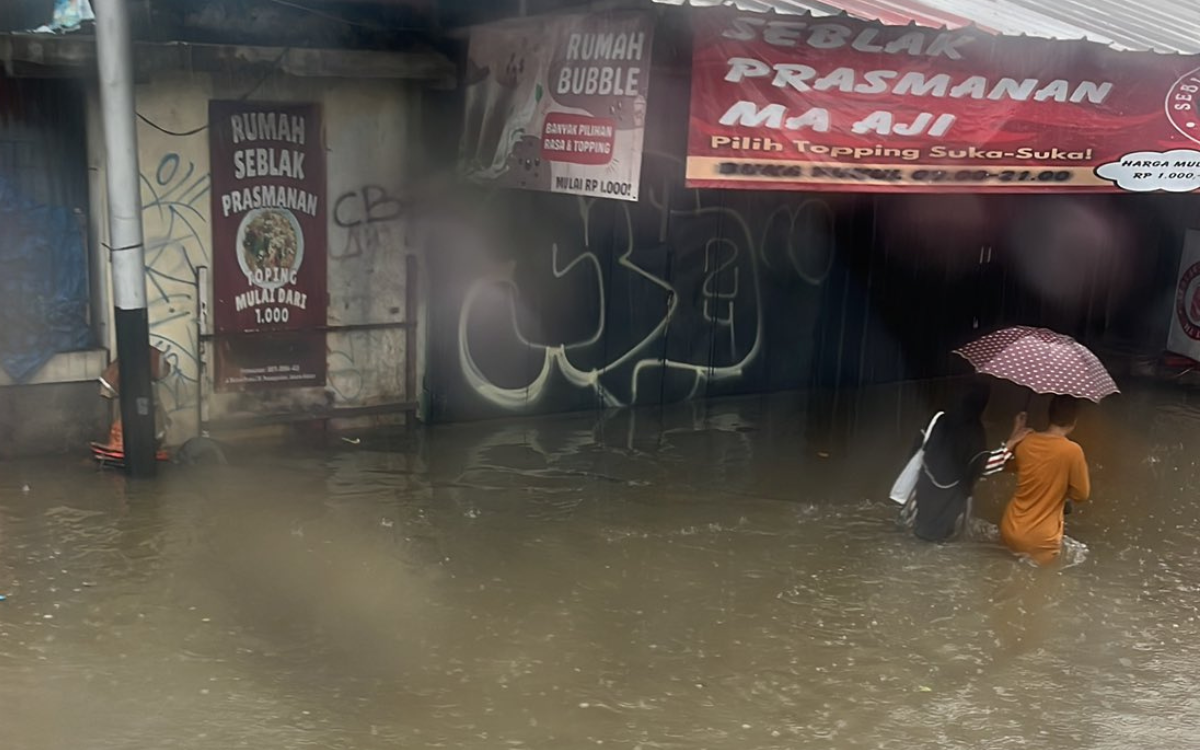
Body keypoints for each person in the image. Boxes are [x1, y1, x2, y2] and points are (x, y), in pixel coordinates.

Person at [900, 381, 1030, 542]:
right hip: (950, 503)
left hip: (922, 493)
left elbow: (917, 449)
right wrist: (1012, 440)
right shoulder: (974, 432)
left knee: (913, 535)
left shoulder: (938, 417)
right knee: (941, 542)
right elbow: (984, 466)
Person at [1000, 395, 1091, 566]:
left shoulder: (1026, 440)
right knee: (1041, 585)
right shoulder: (1072, 451)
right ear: (1074, 421)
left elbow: (1003, 465)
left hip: (1010, 528)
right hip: (1042, 539)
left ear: (1050, 415)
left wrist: (1015, 431)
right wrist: (1061, 490)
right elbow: (1082, 494)